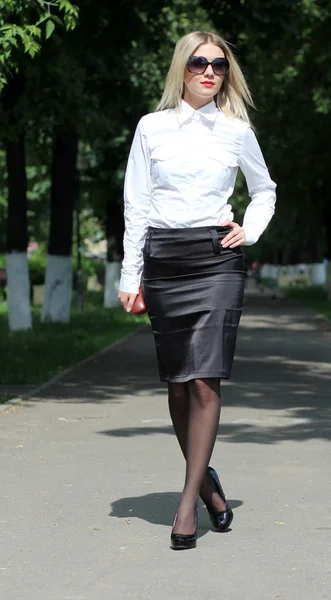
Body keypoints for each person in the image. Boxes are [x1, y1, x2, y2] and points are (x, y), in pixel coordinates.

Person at [117, 30, 276, 550]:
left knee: (206, 380)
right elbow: (137, 204)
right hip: (165, 261)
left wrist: (248, 230)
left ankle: (186, 507)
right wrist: (129, 274)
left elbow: (264, 190)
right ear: (181, 68)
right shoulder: (151, 127)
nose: (210, 72)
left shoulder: (236, 131)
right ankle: (207, 484)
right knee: (179, 384)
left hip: (216, 260)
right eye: (199, 63)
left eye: (220, 65)